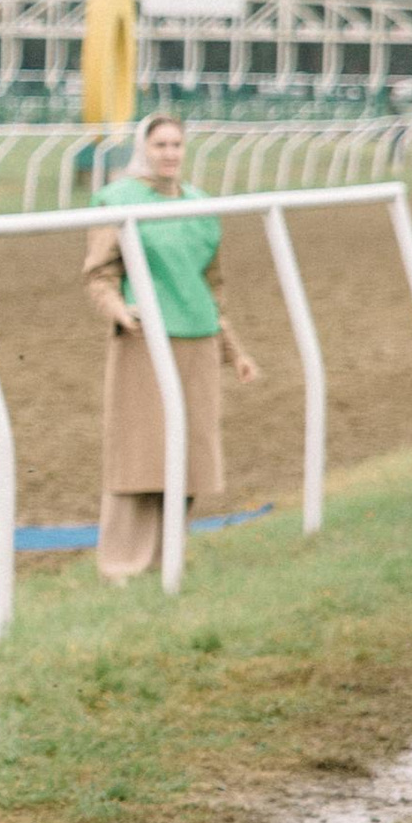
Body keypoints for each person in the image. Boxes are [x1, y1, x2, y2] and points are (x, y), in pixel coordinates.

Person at [81, 113, 259, 584]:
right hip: (145, 340)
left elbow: (211, 285)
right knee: (139, 454)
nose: (169, 153)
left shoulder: (201, 204)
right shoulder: (116, 199)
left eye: (176, 144)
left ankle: (169, 555)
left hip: (198, 340)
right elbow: (100, 274)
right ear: (144, 148)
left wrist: (234, 351)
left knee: (190, 456)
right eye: (160, 145)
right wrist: (119, 311)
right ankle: (122, 563)